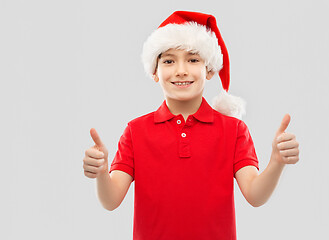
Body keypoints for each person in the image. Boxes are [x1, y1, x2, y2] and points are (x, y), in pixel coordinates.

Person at [83, 11, 299, 240]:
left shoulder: (234, 130)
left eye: (193, 59)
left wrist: (276, 161)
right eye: (168, 61)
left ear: (209, 70)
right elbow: (111, 200)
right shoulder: (135, 131)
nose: (181, 70)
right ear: (155, 72)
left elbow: (255, 195)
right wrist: (100, 173)